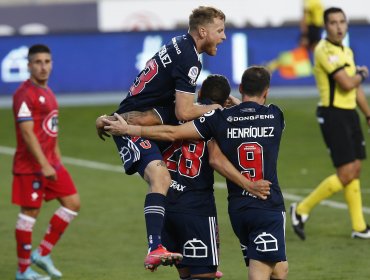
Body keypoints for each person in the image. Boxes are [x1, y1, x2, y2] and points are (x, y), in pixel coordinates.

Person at [102, 66, 289, 280]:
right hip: (218, 206)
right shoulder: (267, 116)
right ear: (266, 91)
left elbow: (168, 132)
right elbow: (215, 158)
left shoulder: (202, 117)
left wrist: (122, 127)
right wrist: (249, 184)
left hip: (172, 202)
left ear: (199, 95)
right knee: (222, 274)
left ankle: (155, 246)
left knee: (277, 269)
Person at [96, 6, 226, 271]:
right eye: (220, 30)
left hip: (141, 116)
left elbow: (159, 106)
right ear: (203, 31)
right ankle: (155, 246)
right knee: (162, 177)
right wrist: (219, 110)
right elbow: (184, 111)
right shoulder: (190, 57)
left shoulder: (179, 44)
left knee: (179, 168)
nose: (224, 37)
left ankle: (183, 250)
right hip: (130, 125)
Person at [138, 74, 271, 279]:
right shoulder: (220, 121)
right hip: (196, 207)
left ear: (199, 93)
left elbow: (164, 133)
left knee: (186, 274)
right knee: (204, 275)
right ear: (226, 99)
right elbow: (219, 158)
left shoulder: (178, 113)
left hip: (166, 203)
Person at [290, 7, 370, 240]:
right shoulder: (323, 50)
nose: (338, 26)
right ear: (325, 26)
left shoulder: (346, 51)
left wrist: (367, 114)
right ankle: (302, 209)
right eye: (333, 22)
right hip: (333, 114)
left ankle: (359, 226)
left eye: (342, 22)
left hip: (349, 114)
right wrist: (362, 75)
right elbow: (347, 83)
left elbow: (355, 90)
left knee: (355, 168)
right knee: (345, 172)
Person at [12, 44, 80, 280]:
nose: (43, 67)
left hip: (51, 163)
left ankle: (42, 253)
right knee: (29, 215)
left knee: (72, 203)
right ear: (29, 65)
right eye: (38, 62)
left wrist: (57, 161)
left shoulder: (48, 92)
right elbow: (28, 133)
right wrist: (43, 164)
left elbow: (51, 130)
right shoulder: (24, 94)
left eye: (47, 62)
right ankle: (23, 272)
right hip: (30, 166)